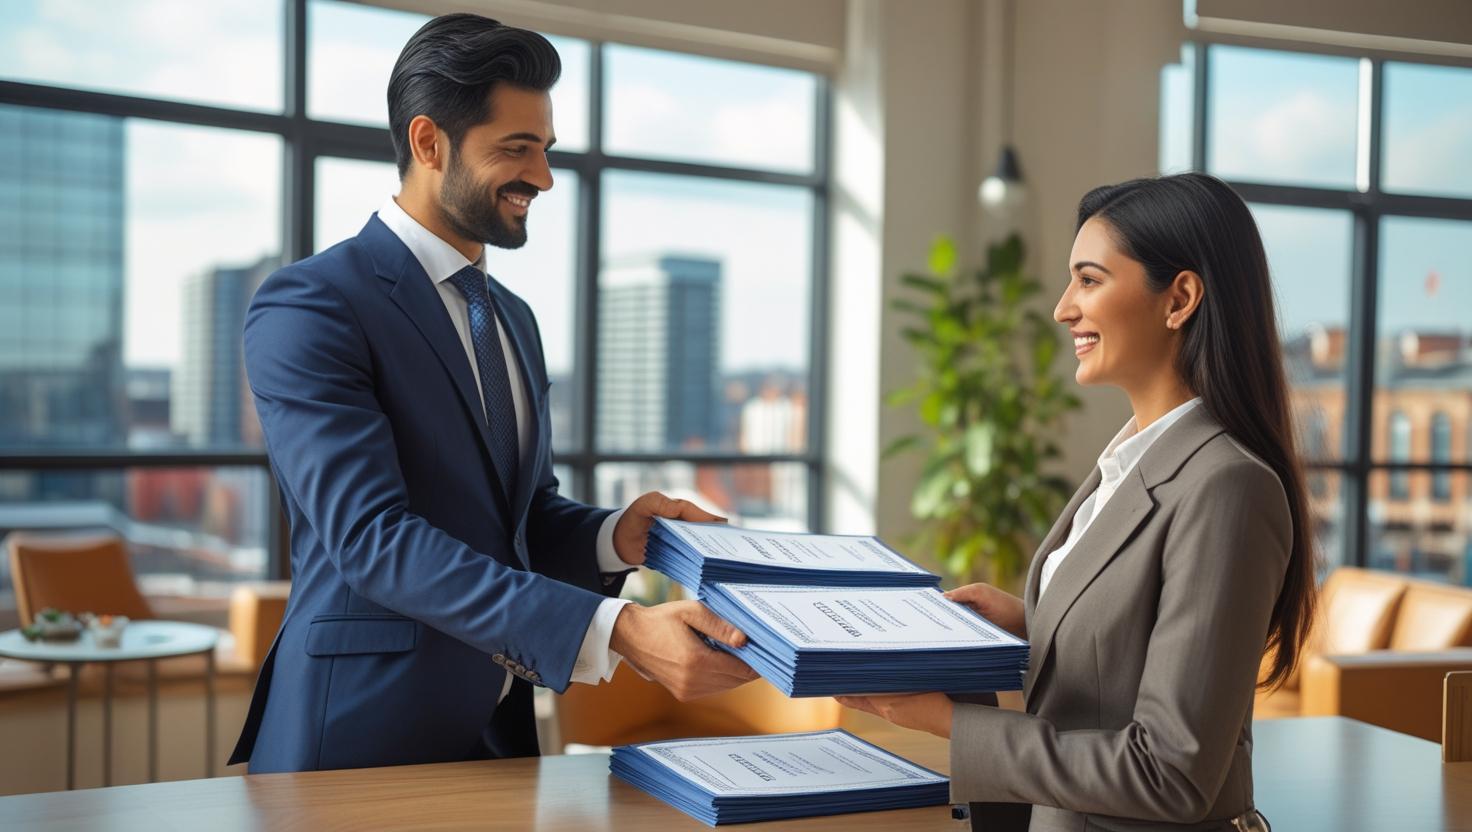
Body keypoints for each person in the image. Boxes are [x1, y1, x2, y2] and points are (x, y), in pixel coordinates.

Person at [229, 14, 755, 773]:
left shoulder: (512, 317)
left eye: (545, 149)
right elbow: (372, 539)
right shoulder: (313, 304)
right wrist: (618, 630)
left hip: (498, 738)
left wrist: (615, 537)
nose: (543, 177)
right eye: (516, 148)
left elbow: (518, 517)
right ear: (429, 143)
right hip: (355, 740)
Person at [839, 173, 1315, 831]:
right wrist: (1033, 625)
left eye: (1089, 280)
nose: (1063, 309)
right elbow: (1129, 652)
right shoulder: (1128, 463)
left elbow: (1170, 775)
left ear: (1179, 299)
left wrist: (949, 723)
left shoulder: (1227, 486)